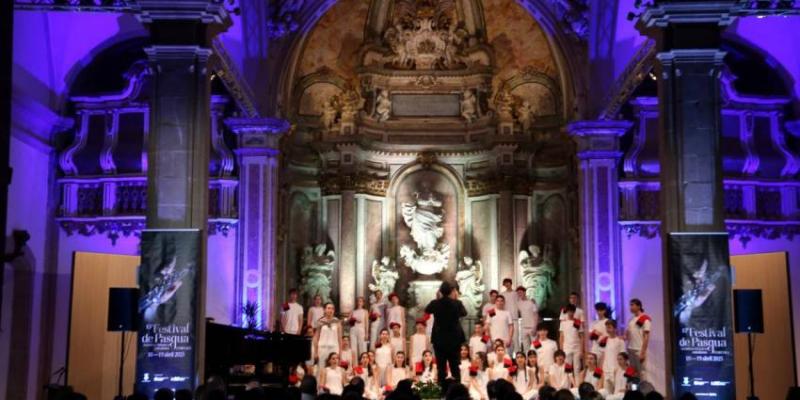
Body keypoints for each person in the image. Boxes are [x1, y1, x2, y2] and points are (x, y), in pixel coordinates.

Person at [425, 281, 468, 386]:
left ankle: (442, 391)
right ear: (451, 292)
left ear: (440, 291)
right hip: (454, 340)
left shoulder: (435, 303)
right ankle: (457, 390)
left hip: (439, 340)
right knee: (455, 366)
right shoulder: (457, 303)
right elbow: (464, 313)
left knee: (441, 367)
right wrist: (456, 299)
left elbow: (427, 309)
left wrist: (437, 298)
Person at [314, 303, 343, 373]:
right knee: (321, 369)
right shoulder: (320, 321)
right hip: (322, 348)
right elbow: (316, 338)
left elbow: (340, 338)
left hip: (334, 348)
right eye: (329, 308)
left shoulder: (337, 322)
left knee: (333, 369)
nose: (331, 310)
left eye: (332, 308)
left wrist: (340, 353)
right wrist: (315, 352)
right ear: (325, 310)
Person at [625, 299, 650, 379]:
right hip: (630, 349)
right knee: (633, 373)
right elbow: (627, 335)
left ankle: (643, 391)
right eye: (630, 305)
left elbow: (646, 337)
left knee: (642, 373)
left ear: (639, 306)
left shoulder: (645, 319)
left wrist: (643, 352)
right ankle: (635, 391)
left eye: (632, 305)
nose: (630, 307)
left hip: (639, 349)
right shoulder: (631, 320)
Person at [559, 304, 584, 377]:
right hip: (566, 347)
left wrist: (582, 350)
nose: (570, 313)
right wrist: (561, 349)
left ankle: (577, 385)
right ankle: (567, 385)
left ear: (574, 312)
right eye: (569, 311)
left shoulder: (578, 322)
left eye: (572, 311)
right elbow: (561, 336)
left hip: (577, 347)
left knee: (577, 367)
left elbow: (582, 337)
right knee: (567, 367)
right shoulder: (563, 323)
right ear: (566, 312)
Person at [600, 319, 625, 390]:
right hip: (606, 370)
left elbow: (623, 357)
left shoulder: (620, 341)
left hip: (616, 370)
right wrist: (602, 368)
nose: (608, 330)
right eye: (607, 328)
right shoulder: (605, 340)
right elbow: (604, 355)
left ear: (615, 328)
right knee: (607, 392)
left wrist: (619, 369)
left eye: (609, 327)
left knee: (616, 392)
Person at [516, 286, 539, 352]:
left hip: (532, 327)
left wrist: (535, 327)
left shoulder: (532, 302)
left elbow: (536, 314)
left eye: (520, 292)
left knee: (536, 346)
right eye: (518, 293)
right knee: (526, 348)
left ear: (524, 292)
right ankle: (527, 361)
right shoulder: (518, 303)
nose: (519, 294)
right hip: (523, 328)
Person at [500, 279, 519, 350]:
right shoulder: (502, 294)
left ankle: (517, 354)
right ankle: (508, 356)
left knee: (515, 338)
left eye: (508, 283)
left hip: (514, 318)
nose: (507, 285)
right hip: (505, 319)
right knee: (506, 338)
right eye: (505, 283)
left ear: (511, 283)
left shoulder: (516, 294)